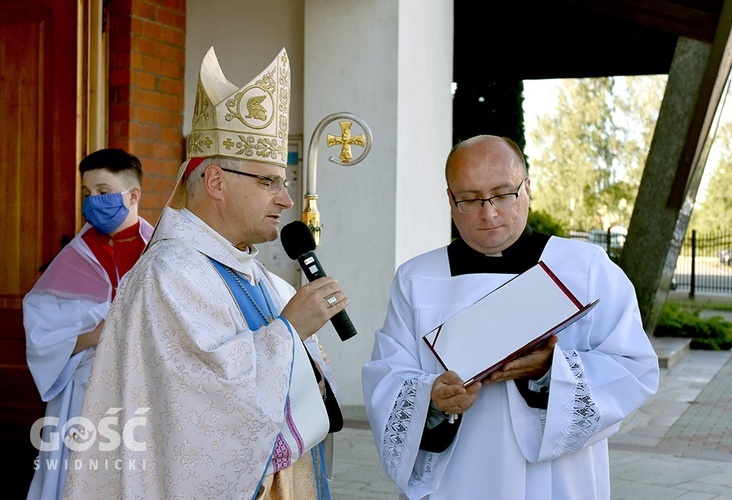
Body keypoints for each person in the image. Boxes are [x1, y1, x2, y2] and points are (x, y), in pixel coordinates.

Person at [63, 47, 345, 499]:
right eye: (268, 181)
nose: (285, 200)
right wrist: (290, 331)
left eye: (285, 182)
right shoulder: (169, 274)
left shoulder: (258, 276)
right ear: (215, 182)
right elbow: (200, 413)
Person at [362, 135, 660, 499]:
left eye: (503, 194)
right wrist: (431, 399)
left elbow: (634, 368)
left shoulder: (585, 269)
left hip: (554, 480)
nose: (488, 213)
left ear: (528, 188)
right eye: (469, 200)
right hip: (455, 480)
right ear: (449, 200)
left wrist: (551, 371)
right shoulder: (417, 278)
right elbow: (388, 375)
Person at [24, 148, 153, 499]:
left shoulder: (161, 253)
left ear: (133, 195)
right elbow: (41, 334)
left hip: (148, 392)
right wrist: (93, 334)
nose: (93, 201)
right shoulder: (73, 258)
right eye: (87, 193)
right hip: (82, 396)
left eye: (103, 191)